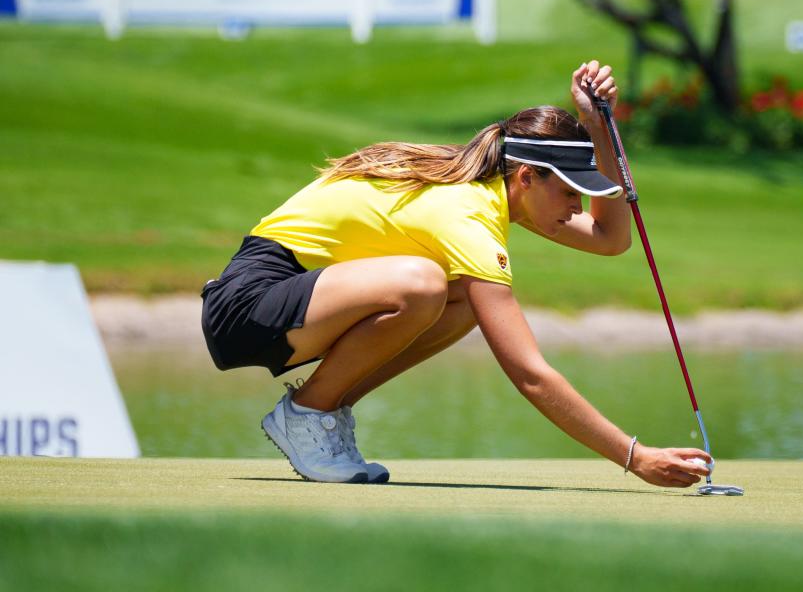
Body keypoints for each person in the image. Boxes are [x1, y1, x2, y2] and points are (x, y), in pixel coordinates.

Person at [200, 61, 713, 486]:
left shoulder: (495, 191)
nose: (578, 206)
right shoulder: (466, 213)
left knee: (460, 299)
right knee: (424, 284)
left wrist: (601, 128)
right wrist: (634, 456)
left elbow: (610, 239)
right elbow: (530, 375)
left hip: (288, 303)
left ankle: (321, 412)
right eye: (570, 192)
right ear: (528, 177)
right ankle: (309, 413)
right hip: (247, 306)